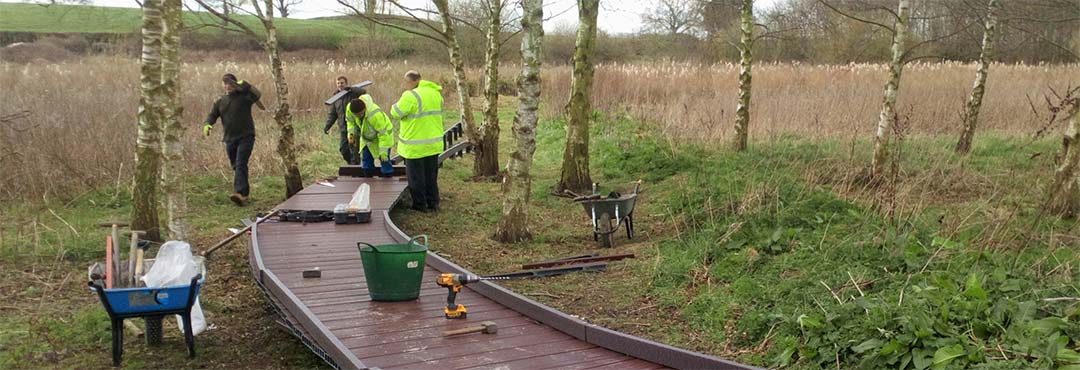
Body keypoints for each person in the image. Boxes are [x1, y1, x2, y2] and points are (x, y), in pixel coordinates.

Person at [203, 73, 262, 206]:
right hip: (229, 139)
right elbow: (212, 115)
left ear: (235, 85)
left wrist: (245, 84)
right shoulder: (220, 101)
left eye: (230, 84)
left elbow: (257, 94)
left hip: (246, 136)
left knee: (240, 163)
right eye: (225, 83)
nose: (227, 86)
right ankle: (244, 194)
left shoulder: (244, 98)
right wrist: (207, 124)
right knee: (236, 166)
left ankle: (240, 193)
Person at [391, 70, 444, 212]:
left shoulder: (410, 95)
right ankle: (433, 203)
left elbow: (395, 112)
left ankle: (420, 205)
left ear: (412, 81)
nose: (405, 85)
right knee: (431, 176)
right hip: (433, 143)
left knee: (416, 178)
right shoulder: (435, 93)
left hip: (414, 145)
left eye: (406, 82)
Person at [345, 94, 395, 177]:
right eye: (356, 115)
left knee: (384, 161)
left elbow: (383, 134)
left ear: (364, 109)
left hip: (384, 137)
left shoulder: (375, 114)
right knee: (366, 163)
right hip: (367, 138)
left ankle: (388, 177)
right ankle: (368, 178)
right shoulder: (349, 109)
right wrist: (351, 134)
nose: (358, 116)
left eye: (360, 114)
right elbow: (350, 122)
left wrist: (383, 152)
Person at [324, 76, 362, 165]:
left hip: (353, 128)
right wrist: (327, 126)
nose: (340, 85)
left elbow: (363, 92)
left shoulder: (352, 93)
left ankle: (355, 168)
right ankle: (352, 165)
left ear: (346, 83)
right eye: (338, 83)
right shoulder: (335, 97)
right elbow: (333, 114)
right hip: (343, 129)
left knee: (353, 149)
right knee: (343, 150)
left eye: (342, 83)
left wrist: (351, 89)